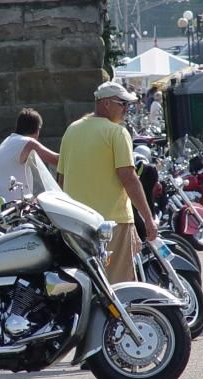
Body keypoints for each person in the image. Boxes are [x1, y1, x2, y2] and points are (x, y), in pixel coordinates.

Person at [57, 81, 157, 284]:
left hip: (77, 224)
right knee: (119, 285)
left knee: (88, 282)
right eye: (123, 104)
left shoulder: (72, 130)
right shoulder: (116, 132)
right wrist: (148, 218)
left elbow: (61, 179)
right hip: (113, 223)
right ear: (106, 104)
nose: (127, 109)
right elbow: (129, 178)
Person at [0, 108, 59, 225]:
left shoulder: (8, 141)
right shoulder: (28, 143)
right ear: (37, 129)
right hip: (10, 214)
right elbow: (56, 160)